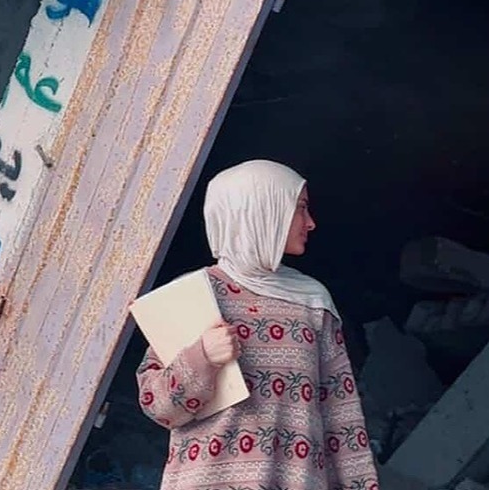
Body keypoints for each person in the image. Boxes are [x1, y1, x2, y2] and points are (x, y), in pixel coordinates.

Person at [136, 160, 379, 490]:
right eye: (300, 208)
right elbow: (160, 408)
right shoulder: (192, 295)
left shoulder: (312, 302)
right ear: (259, 210)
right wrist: (202, 357)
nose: (311, 223)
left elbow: (341, 419)